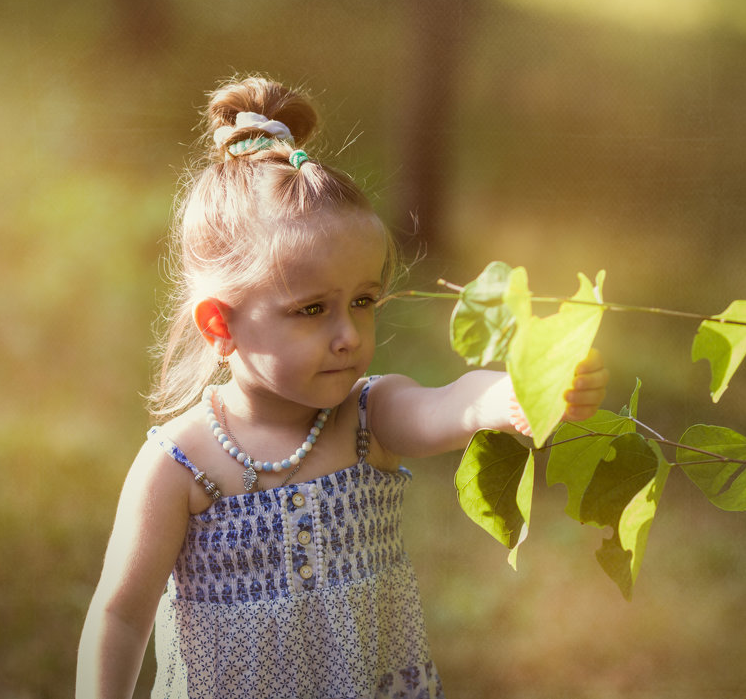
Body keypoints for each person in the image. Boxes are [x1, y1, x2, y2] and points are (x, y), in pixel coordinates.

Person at [76, 76, 609, 699]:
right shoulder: (181, 464)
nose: (349, 335)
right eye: (311, 310)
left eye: (362, 302)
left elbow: (446, 405)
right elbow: (120, 614)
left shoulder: (367, 416)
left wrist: (511, 395)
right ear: (221, 324)